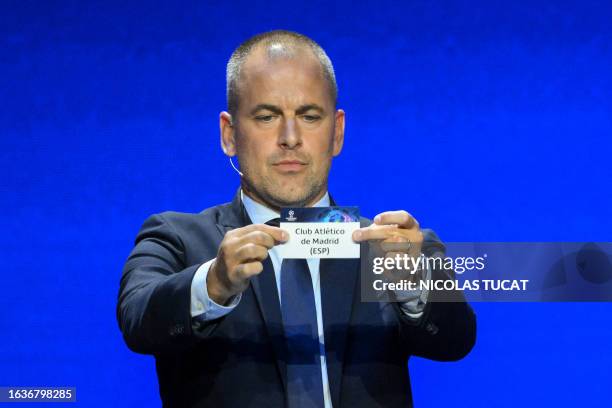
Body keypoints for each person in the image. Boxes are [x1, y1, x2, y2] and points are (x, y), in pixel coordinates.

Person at [117, 30, 476, 408]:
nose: (290, 137)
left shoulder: (393, 247)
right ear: (229, 134)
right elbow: (137, 321)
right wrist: (215, 283)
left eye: (309, 116)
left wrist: (411, 286)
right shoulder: (177, 238)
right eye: (267, 116)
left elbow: (454, 341)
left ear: (336, 132)